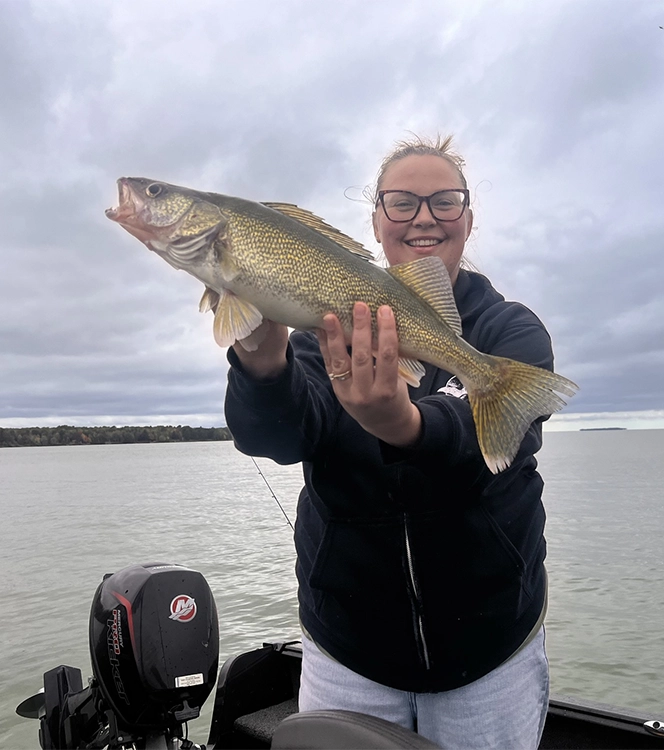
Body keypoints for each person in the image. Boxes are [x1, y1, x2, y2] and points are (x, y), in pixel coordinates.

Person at [224, 135, 555, 749]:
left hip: (488, 648)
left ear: (468, 220)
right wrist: (261, 365)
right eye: (401, 202)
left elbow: (490, 449)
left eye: (445, 201)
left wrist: (405, 426)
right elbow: (276, 434)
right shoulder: (321, 328)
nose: (423, 217)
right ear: (376, 220)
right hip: (349, 648)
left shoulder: (509, 331)